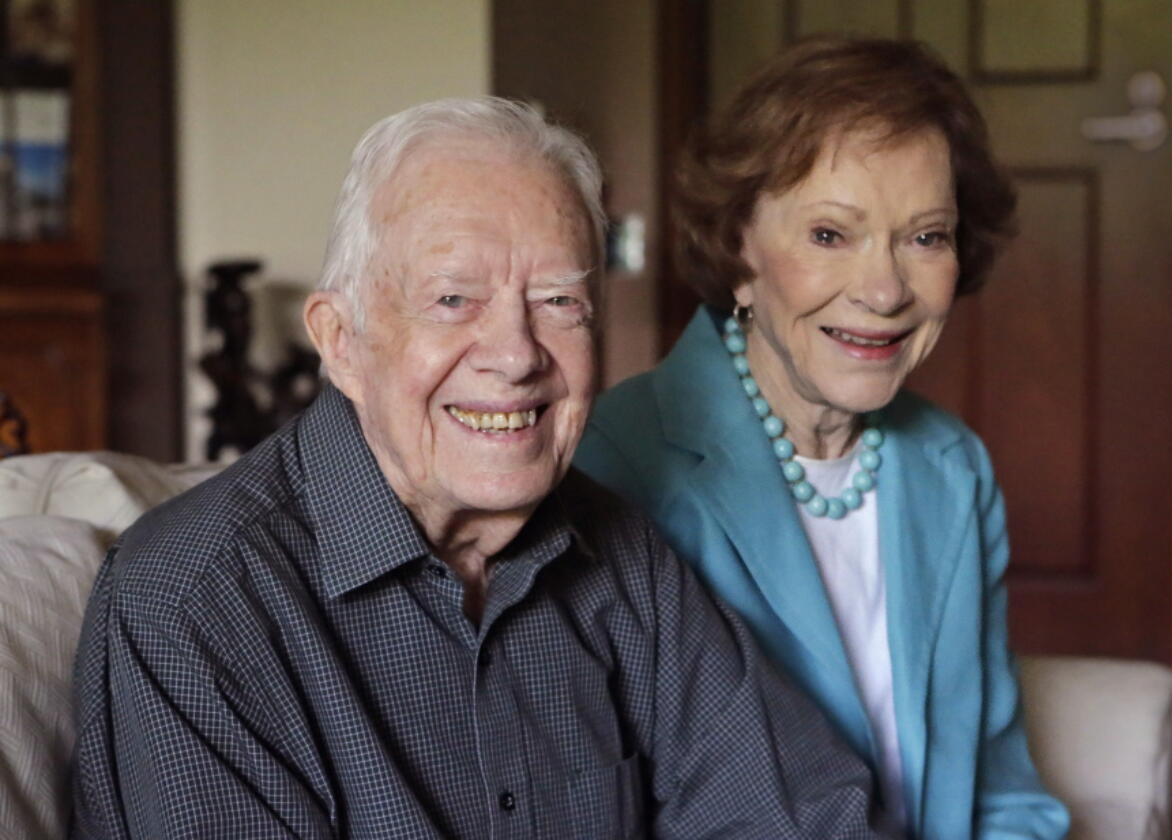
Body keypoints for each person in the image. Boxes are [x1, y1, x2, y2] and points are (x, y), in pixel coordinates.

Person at [70, 97, 892, 839]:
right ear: (340, 339)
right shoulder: (190, 605)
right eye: (453, 299)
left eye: (559, 303)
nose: (514, 356)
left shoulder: (624, 559)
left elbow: (810, 817)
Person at [575, 37, 1070, 839]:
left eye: (926, 237)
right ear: (739, 250)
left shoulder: (953, 469)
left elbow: (1001, 793)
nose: (883, 291)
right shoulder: (618, 464)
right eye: (831, 236)